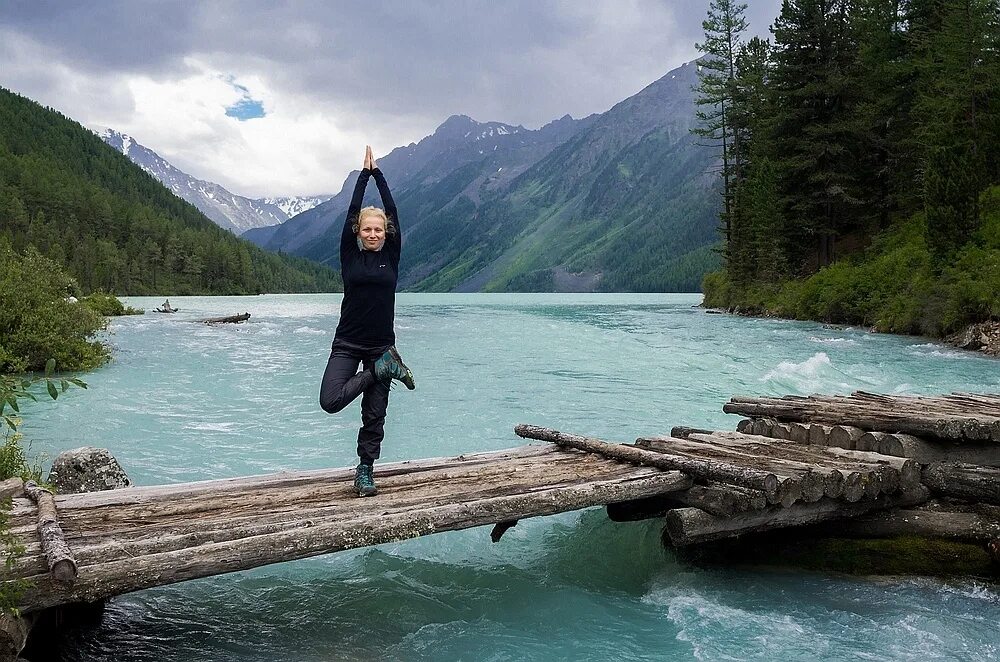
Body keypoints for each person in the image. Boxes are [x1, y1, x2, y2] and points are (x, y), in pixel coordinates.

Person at [319, 145, 415, 497]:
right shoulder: (349, 256)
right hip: (347, 342)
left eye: (378, 230)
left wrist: (380, 175)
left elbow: (393, 211)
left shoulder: (391, 255)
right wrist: (363, 176)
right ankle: (383, 369)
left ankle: (365, 470)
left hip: (380, 344)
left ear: (385, 233)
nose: (373, 234)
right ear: (358, 232)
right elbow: (350, 212)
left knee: (374, 416)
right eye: (367, 229)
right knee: (330, 400)